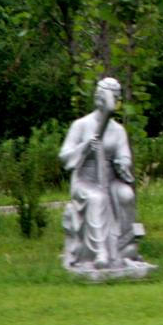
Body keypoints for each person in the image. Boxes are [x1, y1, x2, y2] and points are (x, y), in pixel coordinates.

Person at [58, 76, 148, 274]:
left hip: (109, 179)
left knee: (126, 195)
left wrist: (122, 164)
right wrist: (84, 147)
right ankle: (100, 252)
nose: (103, 99)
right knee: (97, 199)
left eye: (109, 96)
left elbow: (124, 156)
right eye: (101, 94)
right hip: (85, 180)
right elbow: (64, 156)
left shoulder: (118, 130)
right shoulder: (81, 125)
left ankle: (122, 247)